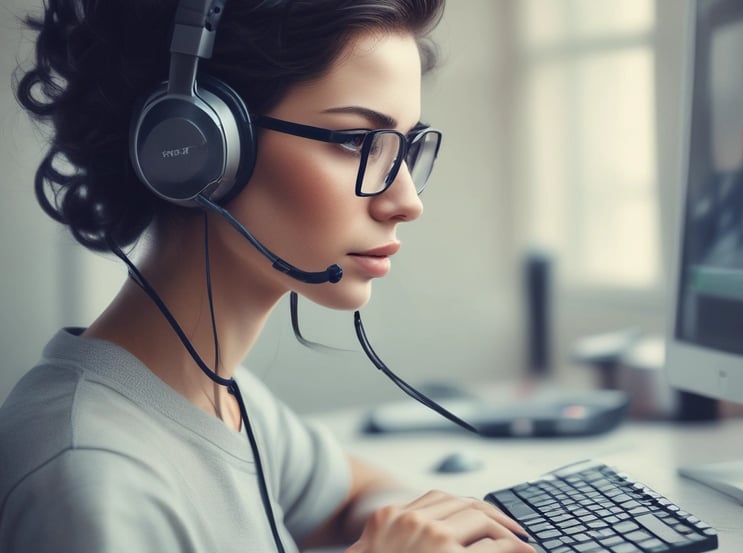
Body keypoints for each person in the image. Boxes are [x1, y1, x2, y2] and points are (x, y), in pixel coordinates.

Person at [0, 1, 534, 552]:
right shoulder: (90, 481)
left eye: (405, 145)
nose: (405, 201)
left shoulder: (222, 398)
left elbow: (358, 495)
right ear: (197, 149)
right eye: (356, 141)